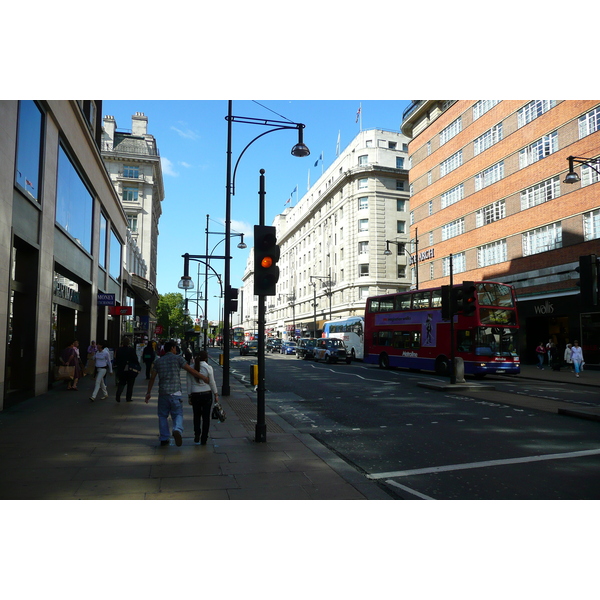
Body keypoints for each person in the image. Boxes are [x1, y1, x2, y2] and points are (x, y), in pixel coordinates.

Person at [145, 341, 209, 446]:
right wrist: (203, 377)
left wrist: (148, 392)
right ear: (172, 348)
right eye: (175, 348)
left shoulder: (158, 361)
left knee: (162, 415)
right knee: (178, 414)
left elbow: (152, 377)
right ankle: (177, 430)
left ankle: (164, 438)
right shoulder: (178, 358)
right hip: (176, 392)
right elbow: (191, 371)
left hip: (163, 393)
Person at [187, 350, 219, 445]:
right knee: (206, 418)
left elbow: (189, 384)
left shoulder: (191, 368)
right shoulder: (208, 368)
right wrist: (216, 394)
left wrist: (189, 396)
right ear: (206, 358)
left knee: (196, 416)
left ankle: (197, 434)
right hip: (206, 394)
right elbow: (212, 382)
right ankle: (204, 438)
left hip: (195, 394)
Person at [114, 338, 141, 402]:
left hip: (122, 369)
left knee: (122, 382)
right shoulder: (131, 350)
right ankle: (128, 398)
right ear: (129, 343)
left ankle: (118, 394)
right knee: (130, 384)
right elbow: (135, 359)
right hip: (130, 369)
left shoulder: (119, 350)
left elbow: (116, 359)